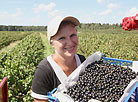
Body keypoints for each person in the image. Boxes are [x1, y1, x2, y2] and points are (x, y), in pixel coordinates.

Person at [31, 15, 86, 102]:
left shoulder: (83, 61)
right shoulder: (44, 71)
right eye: (62, 38)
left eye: (72, 35)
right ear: (51, 42)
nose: (70, 42)